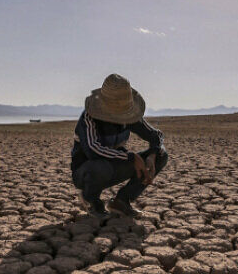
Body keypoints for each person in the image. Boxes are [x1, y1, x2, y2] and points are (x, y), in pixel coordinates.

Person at [71, 74, 168, 219]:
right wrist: (131, 157)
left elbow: (156, 136)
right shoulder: (89, 118)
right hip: (86, 173)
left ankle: (122, 201)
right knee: (100, 167)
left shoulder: (129, 116)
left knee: (161, 154)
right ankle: (91, 199)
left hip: (114, 167)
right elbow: (93, 150)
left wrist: (152, 155)